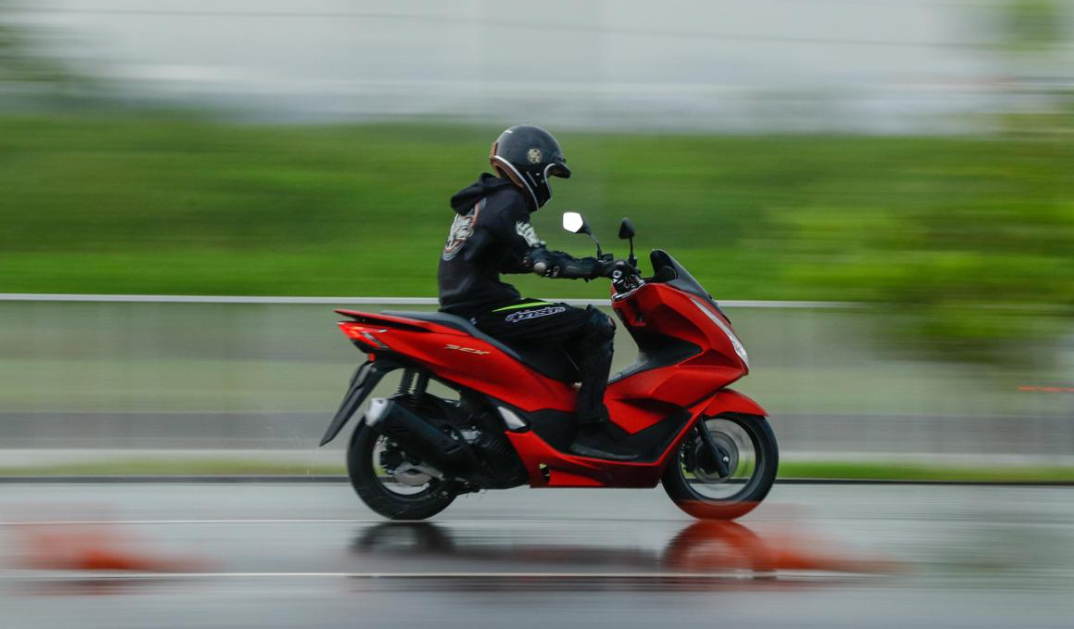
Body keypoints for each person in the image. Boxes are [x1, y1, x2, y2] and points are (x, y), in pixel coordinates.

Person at [437, 124, 620, 456]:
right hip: (484, 310)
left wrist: (577, 263)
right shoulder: (508, 200)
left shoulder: (485, 201)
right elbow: (538, 260)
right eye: (548, 173)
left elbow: (512, 258)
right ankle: (592, 430)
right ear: (532, 165)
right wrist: (597, 268)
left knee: (557, 330)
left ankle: (543, 418)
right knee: (596, 326)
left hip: (469, 308)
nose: (548, 183)